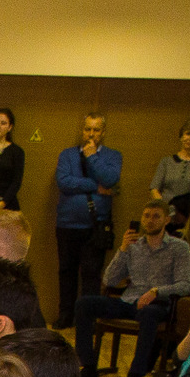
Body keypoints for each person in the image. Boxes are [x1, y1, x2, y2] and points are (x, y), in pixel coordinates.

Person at [76, 200, 190, 377]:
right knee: (84, 303)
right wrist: (122, 249)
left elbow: (186, 284)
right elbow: (109, 279)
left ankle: (134, 374)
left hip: (157, 304)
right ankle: (88, 367)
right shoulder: (133, 246)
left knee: (149, 314)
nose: (150, 220)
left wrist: (157, 291)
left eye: (156, 216)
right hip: (129, 300)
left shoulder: (179, 247)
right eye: (146, 216)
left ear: (166, 220)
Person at [52, 112, 122, 326]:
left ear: (103, 132)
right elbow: (63, 182)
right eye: (87, 129)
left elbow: (110, 180)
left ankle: (87, 319)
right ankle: (66, 315)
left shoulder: (112, 156)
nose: (91, 134)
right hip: (67, 224)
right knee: (67, 271)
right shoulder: (67, 155)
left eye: (96, 130)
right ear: (82, 131)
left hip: (95, 226)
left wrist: (92, 157)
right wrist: (94, 186)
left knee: (91, 274)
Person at [152, 118, 190, 219]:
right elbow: (154, 189)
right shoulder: (166, 161)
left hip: (189, 216)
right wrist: (165, 209)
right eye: (188, 134)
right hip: (164, 214)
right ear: (181, 137)